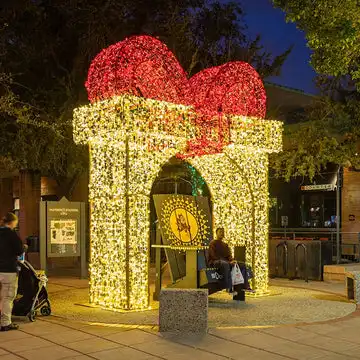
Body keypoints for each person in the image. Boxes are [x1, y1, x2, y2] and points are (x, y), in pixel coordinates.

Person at [0, 212, 25, 331]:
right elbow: (19, 250)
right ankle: (5, 323)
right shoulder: (11, 234)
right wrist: (24, 247)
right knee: (7, 297)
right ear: (12, 222)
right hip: (8, 270)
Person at [208, 227, 236, 292]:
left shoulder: (225, 245)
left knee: (240, 264)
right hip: (215, 262)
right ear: (216, 233)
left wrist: (232, 260)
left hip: (224, 262)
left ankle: (244, 285)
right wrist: (228, 262)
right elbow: (213, 256)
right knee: (225, 264)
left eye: (223, 232)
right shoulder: (212, 243)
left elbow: (229, 256)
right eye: (220, 232)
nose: (222, 233)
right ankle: (229, 287)